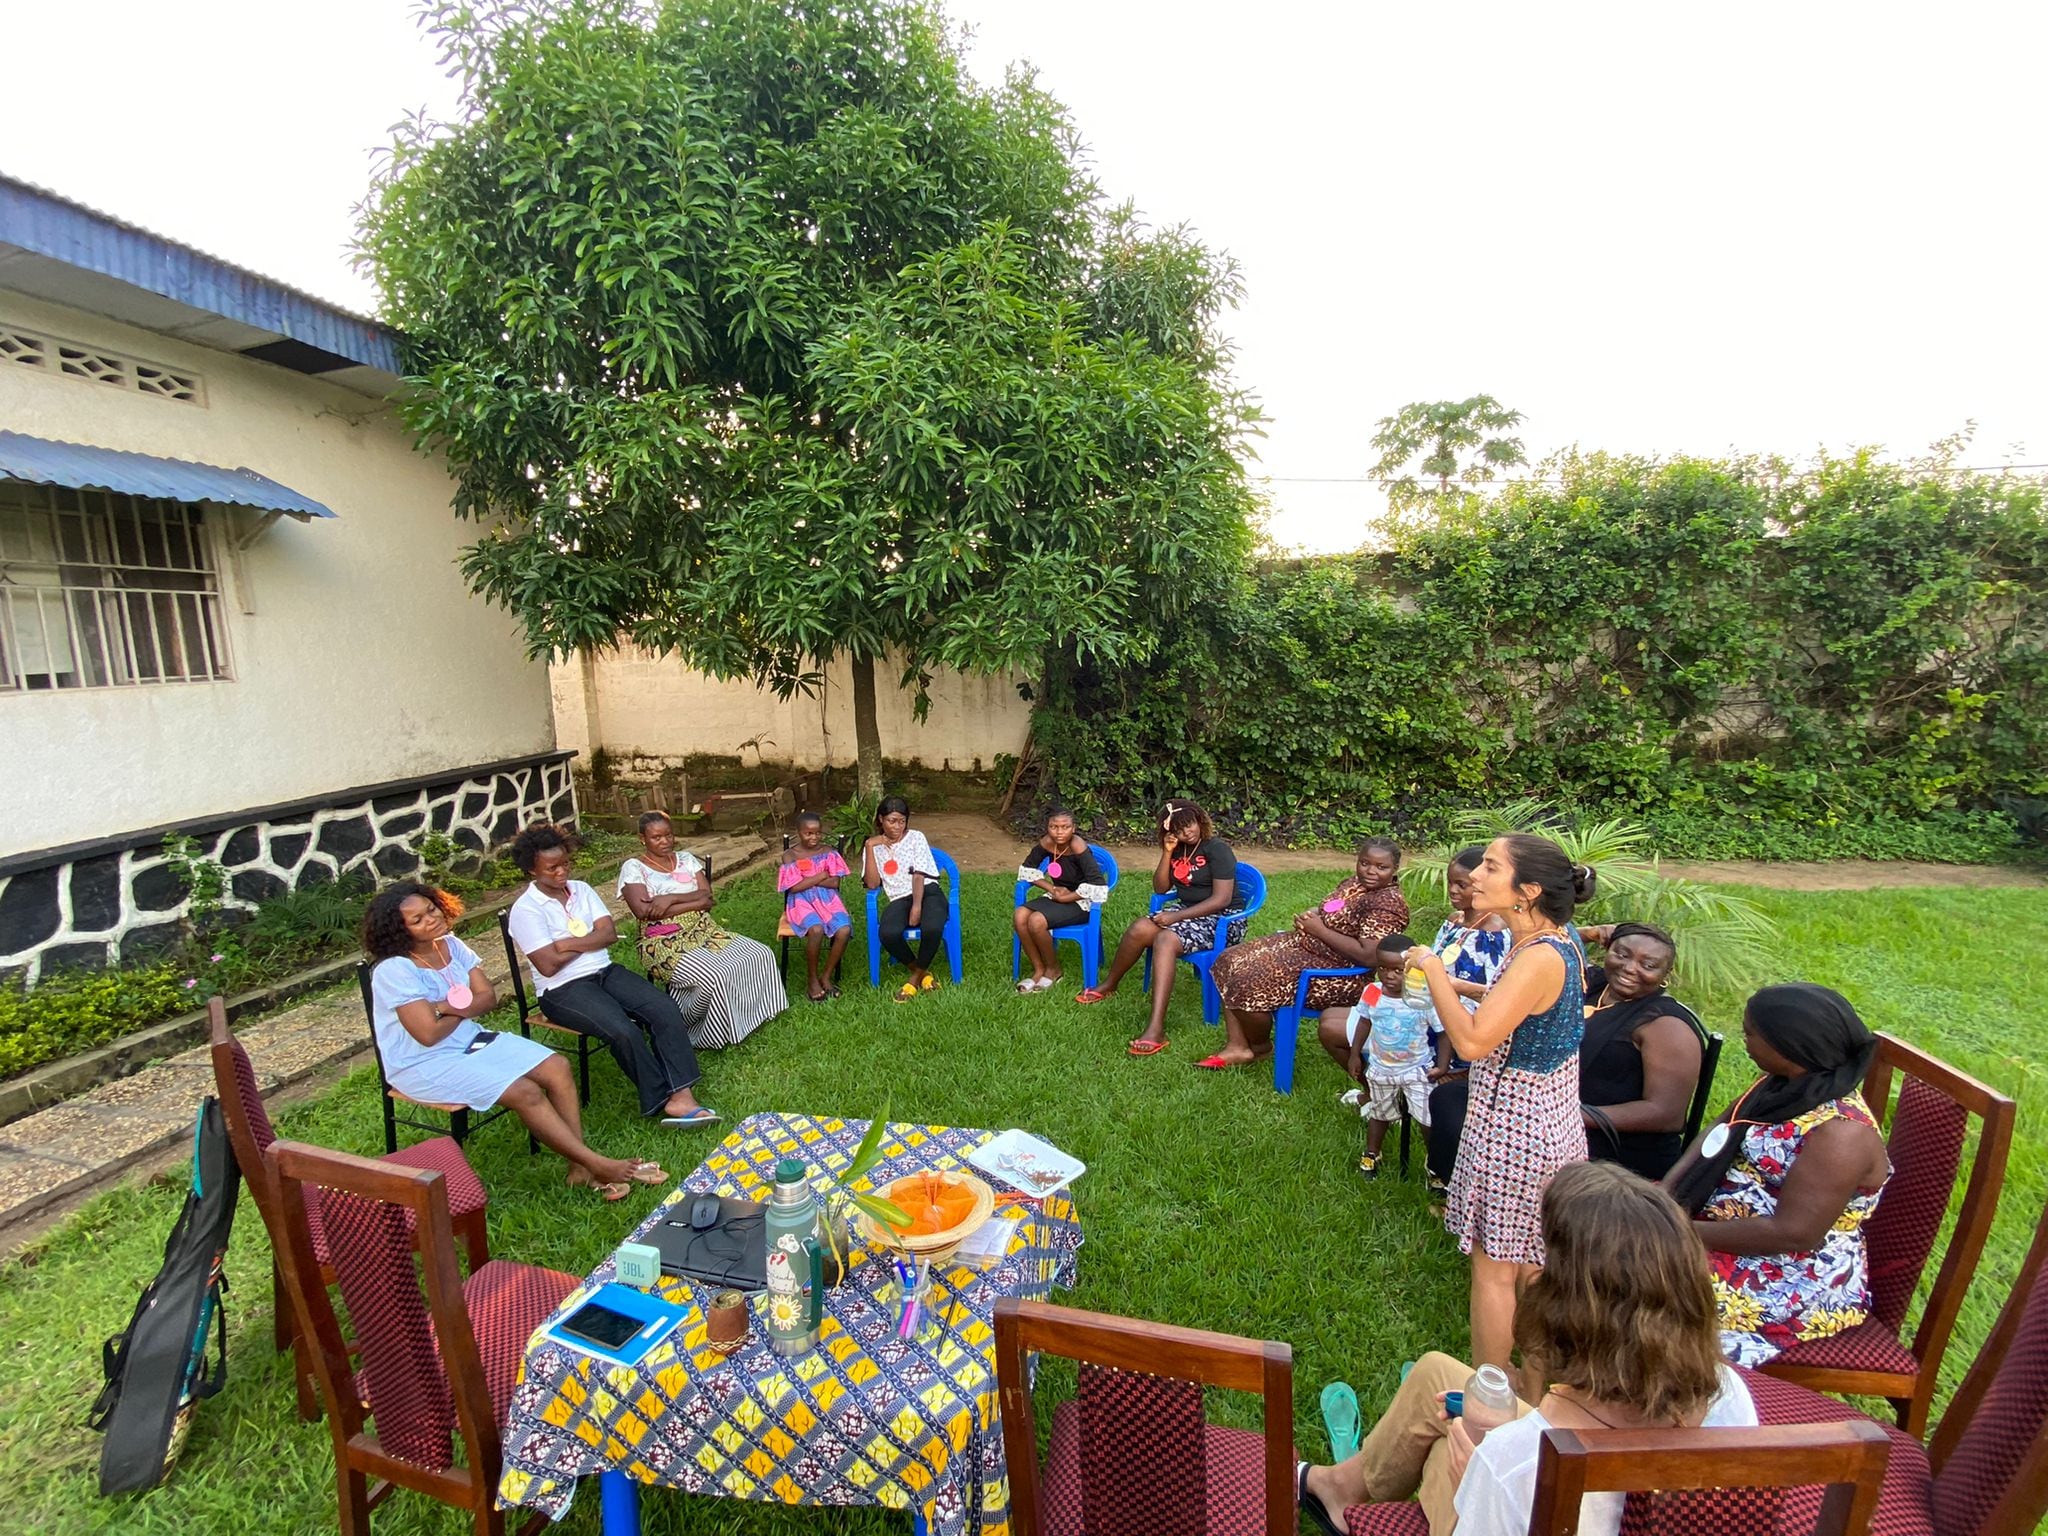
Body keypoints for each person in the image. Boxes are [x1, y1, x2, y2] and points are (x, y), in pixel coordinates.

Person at [1296, 1161, 1757, 1536]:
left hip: (1531, 1502)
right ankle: (1339, 1487)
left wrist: (1473, 1478)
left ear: (1567, 1303)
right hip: (1574, 1489)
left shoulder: (1515, 1465)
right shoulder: (1724, 1390)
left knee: (1444, 1443)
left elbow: (1512, 1486)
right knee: (1435, 1373)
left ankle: (1341, 1491)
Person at [1403, 835, 1592, 1370]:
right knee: (1534, 1267)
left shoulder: (1536, 956)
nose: (1475, 876)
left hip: (1513, 1131)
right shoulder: (1556, 939)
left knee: (1495, 1271)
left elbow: (1471, 1043)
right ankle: (1532, 1390)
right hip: (1550, 1127)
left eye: (1490, 867)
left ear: (1526, 891)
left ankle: (1491, 1401)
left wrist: (1435, 970)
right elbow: (1517, 1007)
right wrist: (1463, 986)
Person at [363, 881, 665, 1201]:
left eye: (431, 909)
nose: (431, 918)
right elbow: (427, 1034)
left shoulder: (450, 944)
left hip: (469, 1040)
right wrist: (464, 1010)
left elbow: (487, 998)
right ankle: (595, 1163)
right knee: (525, 1091)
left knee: (557, 1067)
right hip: (422, 1062)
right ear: (398, 930)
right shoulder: (394, 969)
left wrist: (445, 1008)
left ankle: (578, 1168)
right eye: (417, 920)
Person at [1667, 983, 1891, 1368]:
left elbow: (1792, 1233)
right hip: (1717, 1228)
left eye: (1751, 1033)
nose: (1745, 1039)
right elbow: (1717, 1132)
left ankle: (1633, 1402)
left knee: (1628, 1275)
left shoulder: (1840, 1132)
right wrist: (1665, 1196)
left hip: (1787, 1275)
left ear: (1791, 1046)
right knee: (1598, 1230)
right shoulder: (1783, 1085)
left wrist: (1670, 1229)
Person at [505, 824, 720, 1127]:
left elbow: (608, 935)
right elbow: (548, 965)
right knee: (623, 1030)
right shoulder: (526, 910)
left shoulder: (582, 890)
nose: (561, 872)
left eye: (565, 863)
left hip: (604, 971)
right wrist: (588, 940)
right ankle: (659, 1096)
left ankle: (682, 1094)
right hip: (562, 990)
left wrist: (565, 943)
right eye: (551, 868)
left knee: (663, 1008)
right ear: (531, 870)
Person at [1205, 837, 1410, 1069]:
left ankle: (1260, 1046)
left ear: (1394, 869)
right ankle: (1238, 1045)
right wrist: (1313, 914)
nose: (1370, 871)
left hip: (1339, 973)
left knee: (1247, 980)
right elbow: (1332, 907)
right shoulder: (1355, 884)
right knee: (1229, 958)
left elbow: (1369, 956)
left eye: (1381, 867)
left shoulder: (1387, 905)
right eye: (1365, 863)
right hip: (1306, 947)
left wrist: (1318, 929)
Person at [1076, 799, 1244, 1057]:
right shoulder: (1178, 848)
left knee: (1166, 940)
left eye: (1189, 825)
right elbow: (1161, 888)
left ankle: (1156, 1029)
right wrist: (1167, 853)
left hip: (1223, 918)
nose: (1187, 832)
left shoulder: (1216, 849)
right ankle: (1109, 984)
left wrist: (1176, 918)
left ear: (1199, 820)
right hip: (1188, 911)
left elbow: (1221, 899)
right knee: (1140, 928)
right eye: (1178, 829)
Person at [619, 811, 787, 1045]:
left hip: (705, 930)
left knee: (760, 954)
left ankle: (753, 1016)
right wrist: (693, 901)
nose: (665, 841)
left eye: (669, 835)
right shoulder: (634, 867)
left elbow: (708, 898)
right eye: (657, 837)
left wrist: (669, 899)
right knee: (714, 976)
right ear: (642, 839)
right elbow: (643, 912)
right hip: (661, 941)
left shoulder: (686, 859)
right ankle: (698, 1029)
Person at [1575, 922, 1707, 1181]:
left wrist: (1572, 1114)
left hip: (1620, 1164)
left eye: (1648, 965)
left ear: (1665, 974)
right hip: (1568, 1137)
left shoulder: (1665, 1025)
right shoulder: (1594, 984)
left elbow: (1666, 1114)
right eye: (1621, 954)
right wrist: (1589, 933)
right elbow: (1543, 948)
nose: (1629, 968)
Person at [1417, 846, 1513, 1197]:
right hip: (1435, 1012)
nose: (1454, 892)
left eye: (1462, 885)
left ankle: (1444, 1164)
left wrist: (1451, 986)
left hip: (1470, 1027)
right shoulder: (1455, 922)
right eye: (1451, 884)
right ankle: (1386, 1101)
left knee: (1417, 1062)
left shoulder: (1500, 933)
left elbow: (1498, 996)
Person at [1339, 933, 1452, 1178]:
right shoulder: (1372, 991)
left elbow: (1444, 1033)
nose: (1389, 976)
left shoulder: (1424, 998)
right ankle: (1372, 1153)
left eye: (1398, 970)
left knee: (1427, 1119)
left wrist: (1442, 1066)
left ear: (1410, 970)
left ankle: (1434, 1163)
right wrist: (1355, 1054)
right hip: (1381, 1068)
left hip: (1416, 1069)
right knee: (1379, 1113)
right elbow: (1364, 1021)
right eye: (1383, 968)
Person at [1011, 807, 1109, 993]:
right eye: (1054, 827)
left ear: (1074, 828)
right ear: (1047, 827)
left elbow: (1098, 884)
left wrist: (1068, 898)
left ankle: (1054, 969)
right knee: (1020, 915)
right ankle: (1039, 969)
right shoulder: (1048, 843)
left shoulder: (1077, 846)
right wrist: (1052, 888)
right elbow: (1027, 869)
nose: (1059, 832)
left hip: (1082, 900)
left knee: (1036, 920)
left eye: (1065, 827)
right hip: (1058, 896)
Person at [863, 795, 948, 1000]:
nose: (897, 826)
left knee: (933, 927)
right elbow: (873, 884)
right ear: (881, 820)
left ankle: (913, 981)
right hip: (899, 898)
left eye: (902, 821)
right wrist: (869, 847)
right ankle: (922, 973)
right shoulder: (874, 846)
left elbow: (919, 874)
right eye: (892, 821)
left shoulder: (916, 837)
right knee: (888, 933)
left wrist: (917, 907)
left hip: (927, 892)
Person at [778, 811, 852, 1001]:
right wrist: (820, 876)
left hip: (828, 899)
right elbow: (794, 888)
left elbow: (834, 883)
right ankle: (812, 979)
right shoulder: (790, 855)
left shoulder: (828, 852)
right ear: (799, 832)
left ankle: (826, 976)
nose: (814, 837)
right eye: (808, 833)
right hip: (800, 902)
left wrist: (806, 879)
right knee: (816, 929)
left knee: (844, 929)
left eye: (818, 833)